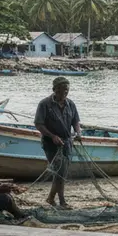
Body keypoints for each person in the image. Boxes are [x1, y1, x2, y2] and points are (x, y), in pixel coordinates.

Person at [34, 76, 82, 209]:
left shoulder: (70, 104)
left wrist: (78, 133)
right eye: (60, 91)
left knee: (62, 171)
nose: (64, 94)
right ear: (54, 90)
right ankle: (62, 201)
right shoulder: (44, 104)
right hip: (50, 144)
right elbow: (39, 124)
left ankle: (50, 198)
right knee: (59, 171)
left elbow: (76, 121)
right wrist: (52, 136)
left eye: (66, 91)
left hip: (66, 143)